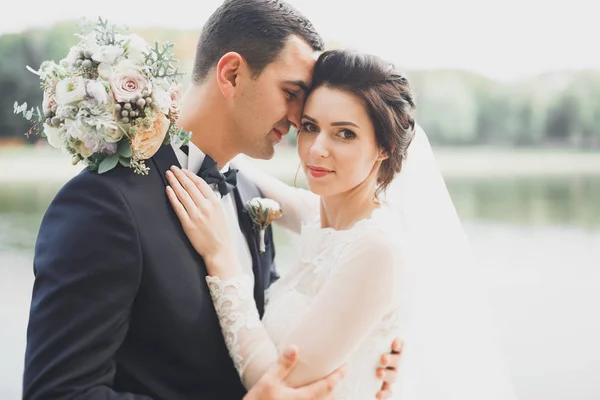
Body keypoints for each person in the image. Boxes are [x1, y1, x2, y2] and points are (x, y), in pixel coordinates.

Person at [22, 1, 402, 399]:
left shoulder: (251, 196)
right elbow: (59, 392)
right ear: (232, 74)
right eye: (291, 93)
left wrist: (363, 354)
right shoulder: (105, 203)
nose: (297, 117)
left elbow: (268, 335)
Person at [166, 49, 519, 399]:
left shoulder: (378, 247)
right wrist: (157, 119)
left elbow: (278, 385)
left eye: (345, 134)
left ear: (384, 146)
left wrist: (222, 256)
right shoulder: (323, 215)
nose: (317, 149)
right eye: (309, 127)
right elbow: (230, 168)